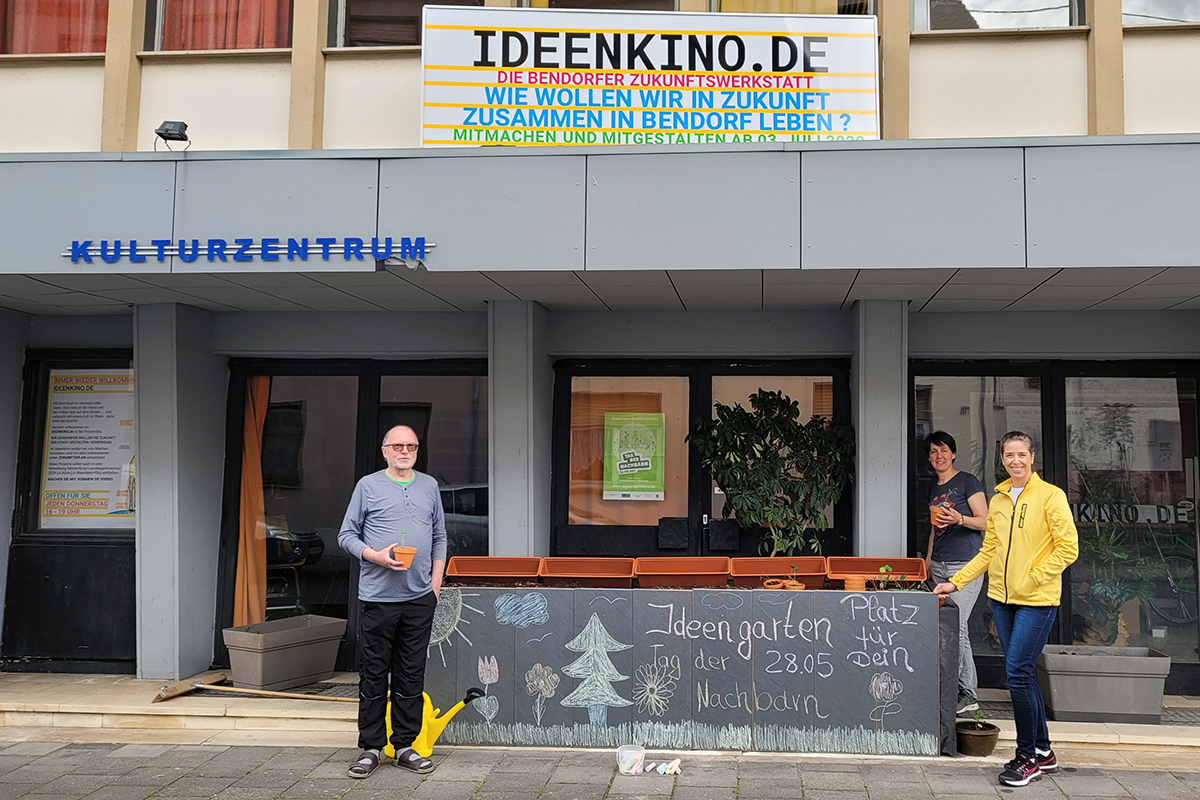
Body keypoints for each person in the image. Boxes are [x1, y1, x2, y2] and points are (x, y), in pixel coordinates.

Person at [934, 431, 1078, 788]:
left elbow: (1068, 548)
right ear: (1002, 458)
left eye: (1021, 454)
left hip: (1037, 600)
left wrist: (1033, 576)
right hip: (1002, 599)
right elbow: (988, 551)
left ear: (1032, 457)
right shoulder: (998, 500)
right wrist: (956, 582)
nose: (1015, 460)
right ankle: (1043, 751)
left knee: (1016, 673)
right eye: (1009, 455)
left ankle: (1027, 756)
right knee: (1023, 675)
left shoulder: (1050, 496)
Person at [338, 425, 446, 779]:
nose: (405, 451)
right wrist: (373, 555)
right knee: (373, 674)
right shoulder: (367, 486)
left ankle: (404, 747)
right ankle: (370, 747)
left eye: (411, 446)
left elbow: (440, 535)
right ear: (384, 451)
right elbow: (346, 535)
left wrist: (435, 581)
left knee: (410, 675)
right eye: (397, 445)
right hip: (378, 598)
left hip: (419, 597)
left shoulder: (429, 486)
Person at [924, 431, 989, 716]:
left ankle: (968, 693)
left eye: (944, 450)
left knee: (957, 628)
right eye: (933, 451)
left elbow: (986, 521)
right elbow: (933, 530)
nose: (939, 456)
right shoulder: (933, 489)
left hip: (965, 565)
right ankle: (949, 689)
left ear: (953, 454)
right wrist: (926, 562)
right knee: (943, 629)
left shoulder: (967, 481)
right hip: (939, 565)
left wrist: (959, 518)